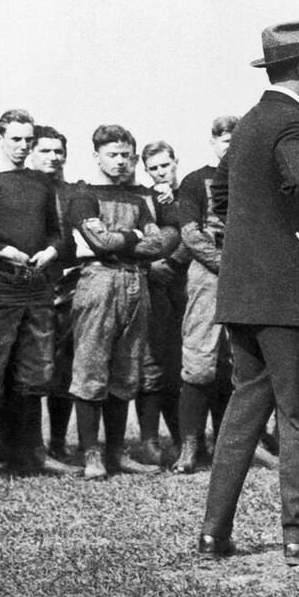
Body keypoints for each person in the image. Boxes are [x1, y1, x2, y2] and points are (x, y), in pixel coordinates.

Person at [198, 21, 299, 565]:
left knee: (243, 413)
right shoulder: (292, 122)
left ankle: (214, 534)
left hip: (244, 295)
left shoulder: (249, 124)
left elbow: (221, 193)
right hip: (291, 297)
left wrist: (258, 242)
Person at [0, 109, 76, 478]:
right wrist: (3, 251)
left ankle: (33, 454)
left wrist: (51, 251)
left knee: (35, 373)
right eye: (16, 139)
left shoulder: (42, 184)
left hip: (36, 288)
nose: (23, 146)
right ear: (0, 139)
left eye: (28, 140)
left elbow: (59, 235)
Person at [66, 124, 170, 480]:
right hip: (99, 281)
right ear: (97, 156)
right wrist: (135, 235)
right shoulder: (82, 196)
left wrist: (123, 239)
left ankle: (116, 452)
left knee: (126, 370)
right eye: (112, 154)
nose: (121, 161)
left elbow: (157, 244)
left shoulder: (138, 200)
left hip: (136, 282)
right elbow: (101, 243)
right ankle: (91, 455)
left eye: (126, 155)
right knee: (91, 367)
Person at [173, 116, 238, 473]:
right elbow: (191, 234)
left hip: (249, 277)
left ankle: (234, 444)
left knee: (240, 360)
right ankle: (190, 446)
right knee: (200, 360)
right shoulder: (195, 180)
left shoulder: (255, 180)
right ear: (213, 142)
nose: (231, 147)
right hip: (208, 273)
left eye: (237, 140)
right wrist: (225, 264)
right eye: (225, 140)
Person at [135, 139, 187, 465]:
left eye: (165, 165)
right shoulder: (147, 198)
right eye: (153, 169)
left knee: (184, 365)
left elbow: (195, 232)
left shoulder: (189, 192)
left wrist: (174, 262)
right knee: (153, 361)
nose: (160, 173)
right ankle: (150, 440)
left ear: (175, 161)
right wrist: (152, 266)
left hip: (187, 285)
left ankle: (186, 438)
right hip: (155, 288)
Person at [27, 125, 78, 460]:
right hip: (29, 285)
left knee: (64, 367)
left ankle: (57, 442)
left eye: (58, 151)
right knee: (26, 367)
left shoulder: (73, 192)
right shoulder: (20, 188)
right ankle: (19, 442)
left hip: (68, 286)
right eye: (45, 150)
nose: (53, 157)